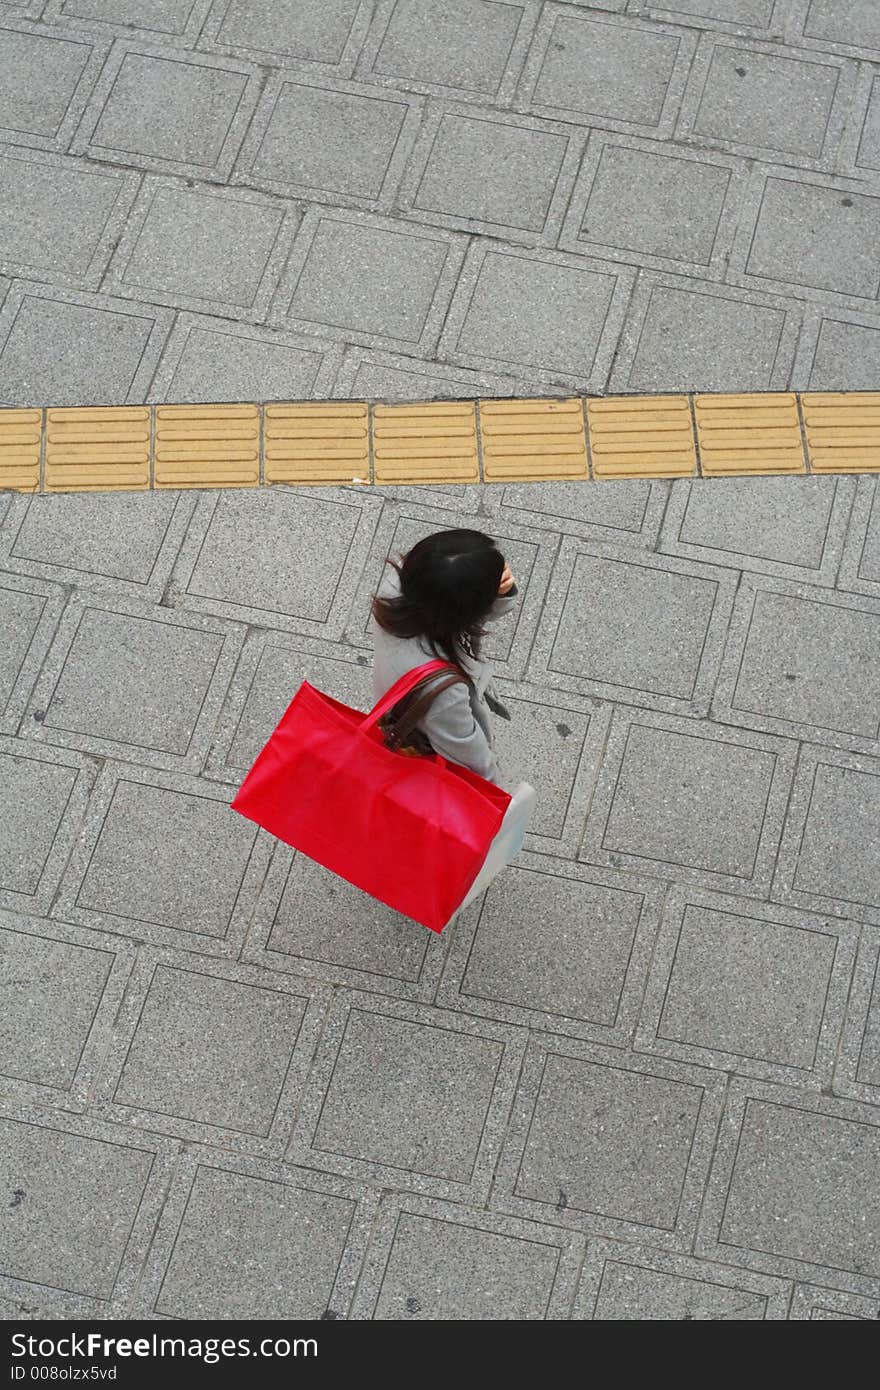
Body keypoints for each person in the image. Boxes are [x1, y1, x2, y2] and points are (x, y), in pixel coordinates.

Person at [370, 528, 517, 786]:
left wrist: (498, 593)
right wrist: (502, 808)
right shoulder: (443, 693)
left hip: (399, 698)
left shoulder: (396, 590)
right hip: (422, 732)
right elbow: (472, 764)